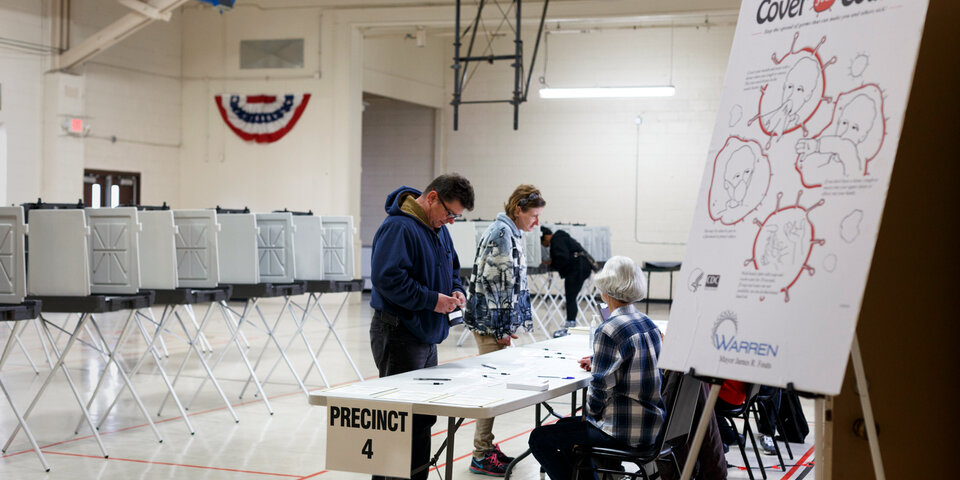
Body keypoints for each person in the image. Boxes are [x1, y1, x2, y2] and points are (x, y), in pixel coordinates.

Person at [369, 174, 475, 480]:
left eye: (456, 216)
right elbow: (388, 279)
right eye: (450, 213)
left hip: (426, 336)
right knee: (399, 420)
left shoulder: (438, 229)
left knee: (422, 417)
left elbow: (452, 266)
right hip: (399, 333)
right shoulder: (398, 227)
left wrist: (457, 291)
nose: (451, 221)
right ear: (431, 198)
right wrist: (431, 300)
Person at [528, 256, 664, 480]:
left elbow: (599, 390)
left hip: (623, 430)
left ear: (605, 289)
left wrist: (588, 417)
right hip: (651, 425)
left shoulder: (609, 329)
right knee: (565, 426)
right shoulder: (648, 323)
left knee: (540, 438)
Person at [464, 185, 546, 476]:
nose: (536, 222)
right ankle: (481, 454)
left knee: (496, 388)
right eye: (533, 216)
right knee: (492, 389)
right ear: (518, 210)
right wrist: (500, 329)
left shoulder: (511, 232)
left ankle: (485, 447)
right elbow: (494, 286)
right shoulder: (501, 234)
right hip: (489, 324)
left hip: (495, 324)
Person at [540, 226, 596, 336]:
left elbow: (562, 258)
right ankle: (570, 325)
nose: (543, 245)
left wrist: (551, 263)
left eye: (542, 241)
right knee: (571, 298)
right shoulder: (561, 237)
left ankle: (569, 328)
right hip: (583, 266)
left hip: (576, 268)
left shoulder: (556, 240)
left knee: (570, 298)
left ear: (546, 236)